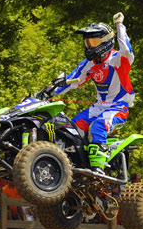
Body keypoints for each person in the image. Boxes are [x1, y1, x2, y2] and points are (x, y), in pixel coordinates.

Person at [54, 12, 134, 174]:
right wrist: (48, 92)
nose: (90, 45)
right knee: (71, 128)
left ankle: (98, 167)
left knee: (98, 125)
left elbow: (126, 48)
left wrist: (119, 26)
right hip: (98, 106)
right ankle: (74, 163)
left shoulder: (118, 59)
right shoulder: (88, 64)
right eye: (88, 41)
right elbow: (72, 81)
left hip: (118, 107)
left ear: (106, 42)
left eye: (94, 41)